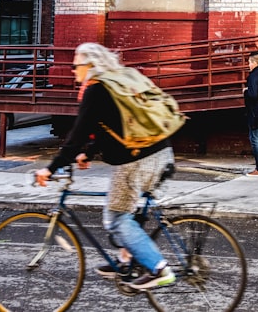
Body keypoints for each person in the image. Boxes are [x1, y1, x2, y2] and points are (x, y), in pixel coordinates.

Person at [34, 43, 176, 291]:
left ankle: (158, 268)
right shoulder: (117, 81)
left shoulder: (97, 88)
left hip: (138, 161)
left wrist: (51, 168)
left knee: (116, 218)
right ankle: (126, 260)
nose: (72, 70)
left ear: (90, 65)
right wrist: (88, 153)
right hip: (161, 152)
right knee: (126, 210)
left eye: (76, 65)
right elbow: (109, 126)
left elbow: (77, 134)